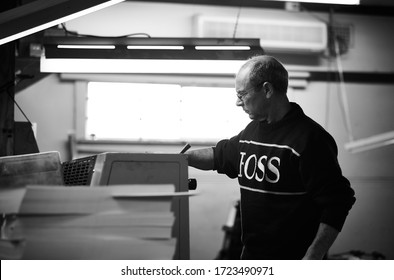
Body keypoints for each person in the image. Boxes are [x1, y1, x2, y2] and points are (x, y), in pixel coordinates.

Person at [186, 55, 356, 260]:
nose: (237, 102)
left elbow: (338, 202)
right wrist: (179, 160)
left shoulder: (310, 139)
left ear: (267, 90)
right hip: (252, 258)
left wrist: (314, 255)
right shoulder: (252, 131)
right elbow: (219, 156)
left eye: (242, 94)